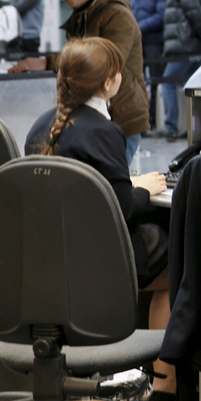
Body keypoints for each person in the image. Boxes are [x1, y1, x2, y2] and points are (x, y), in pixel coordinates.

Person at [23, 37, 174, 398]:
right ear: (108, 83)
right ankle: (165, 386)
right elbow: (122, 210)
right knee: (177, 263)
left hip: (46, 265)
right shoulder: (105, 131)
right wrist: (143, 189)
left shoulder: (41, 126)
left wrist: (125, 184)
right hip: (95, 264)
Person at [9, 0, 150, 165]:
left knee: (109, 183)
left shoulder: (117, 16)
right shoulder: (83, 14)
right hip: (92, 118)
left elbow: (102, 61)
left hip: (121, 117)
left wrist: (48, 62)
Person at [157, 0, 201, 140]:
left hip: (184, 46)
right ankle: (196, 128)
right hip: (188, 45)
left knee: (168, 83)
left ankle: (171, 127)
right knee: (194, 87)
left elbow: (196, 16)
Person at [127, 0, 171, 133]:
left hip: (154, 41)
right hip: (136, 43)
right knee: (136, 82)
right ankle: (139, 122)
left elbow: (161, 15)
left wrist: (137, 28)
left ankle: (152, 122)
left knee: (154, 82)